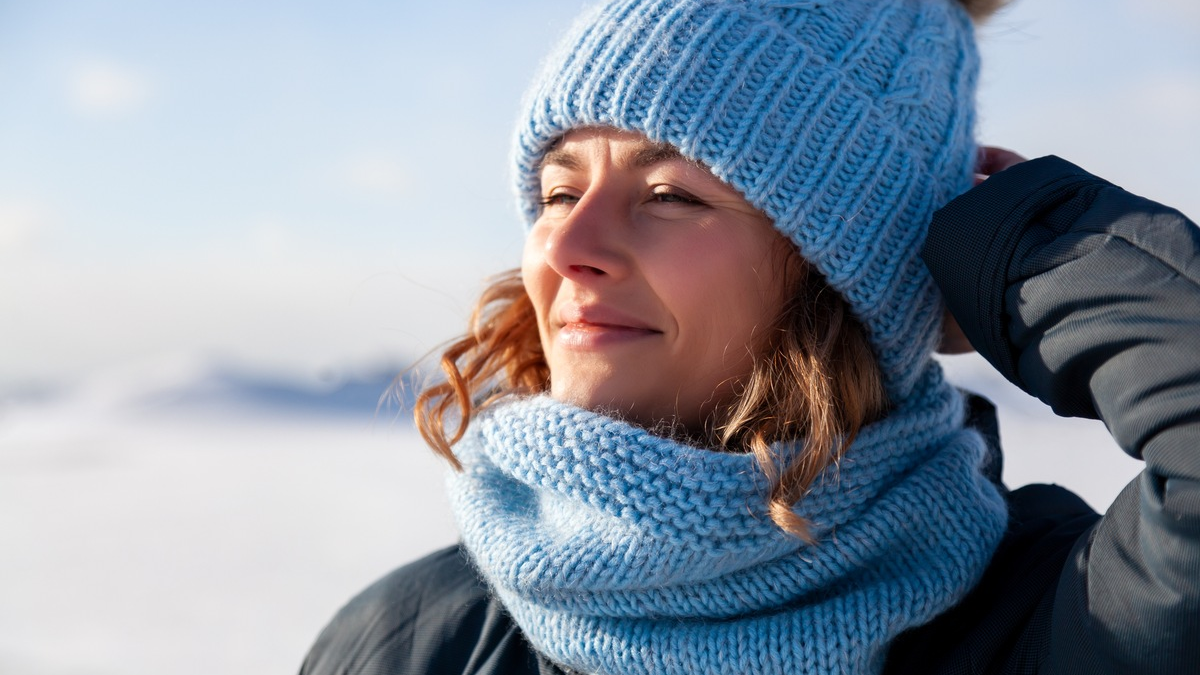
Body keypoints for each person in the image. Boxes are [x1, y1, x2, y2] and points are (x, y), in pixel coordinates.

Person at [299, 0, 1200, 673]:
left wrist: (1013, 245)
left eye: (669, 195)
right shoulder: (416, 641)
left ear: (842, 273)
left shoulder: (1051, 625)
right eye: (560, 191)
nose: (566, 248)